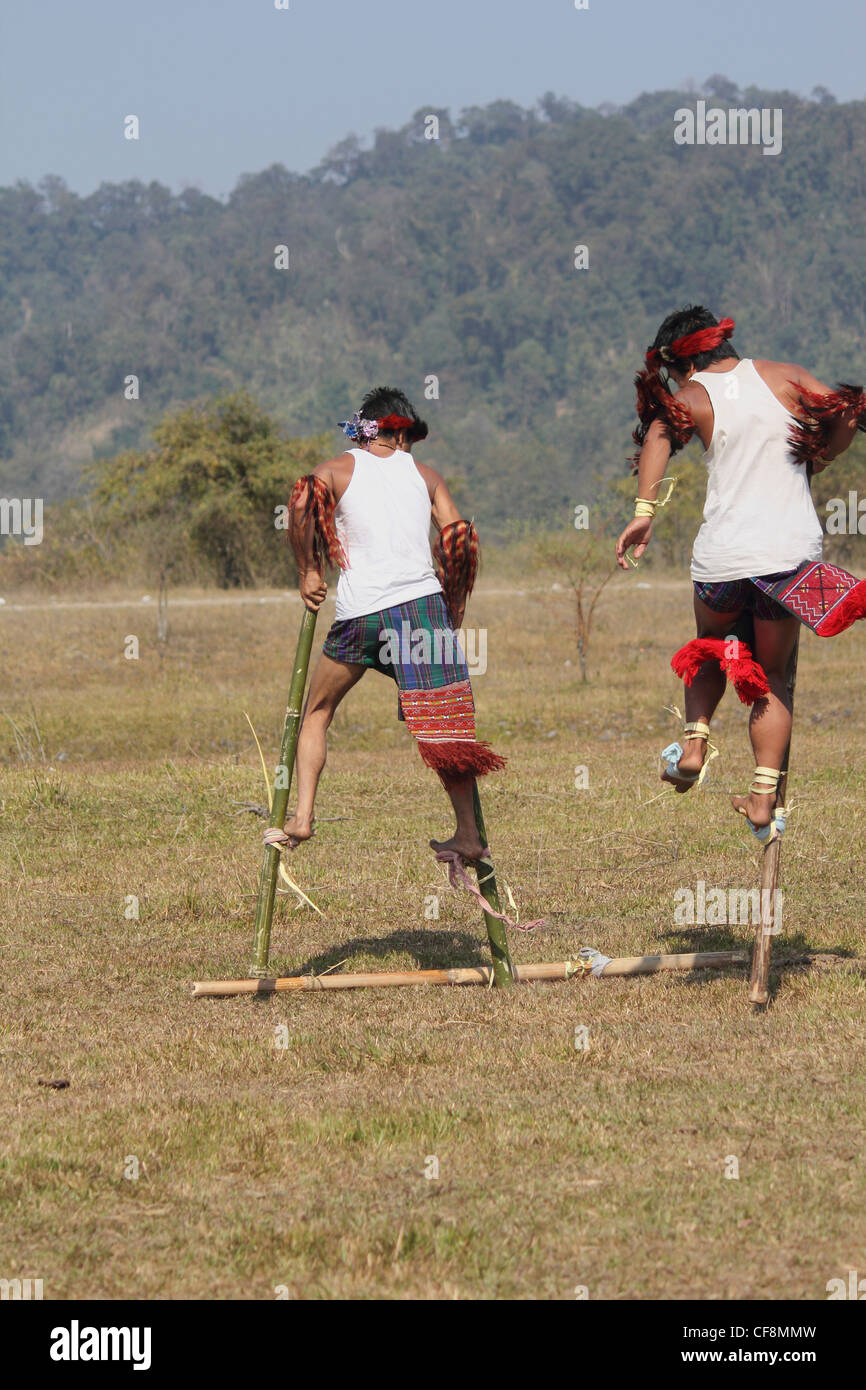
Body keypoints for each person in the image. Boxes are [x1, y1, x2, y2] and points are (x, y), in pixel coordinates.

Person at [615, 306, 863, 833]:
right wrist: (823, 455)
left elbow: (658, 432)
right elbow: (847, 410)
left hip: (722, 559)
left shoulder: (691, 396)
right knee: (772, 677)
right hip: (785, 559)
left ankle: (694, 745)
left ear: (679, 362)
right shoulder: (784, 375)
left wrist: (643, 515)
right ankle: (760, 798)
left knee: (710, 643)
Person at [283, 385, 504, 860]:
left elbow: (302, 503)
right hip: (422, 611)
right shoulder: (426, 477)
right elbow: (459, 537)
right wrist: (454, 603)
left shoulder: (335, 470)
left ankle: (302, 817)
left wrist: (309, 572)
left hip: (362, 615)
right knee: (447, 733)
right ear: (400, 435)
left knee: (317, 711)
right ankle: (468, 834)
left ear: (366, 431)